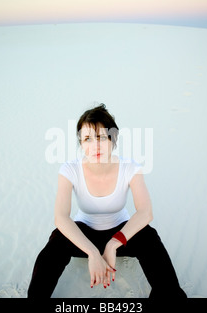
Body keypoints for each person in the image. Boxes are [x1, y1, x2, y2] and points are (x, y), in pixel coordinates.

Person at [27, 104, 186, 298]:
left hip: (120, 233)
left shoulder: (130, 168)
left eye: (102, 137)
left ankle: (169, 295)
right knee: (56, 242)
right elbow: (61, 218)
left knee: (149, 238)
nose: (95, 146)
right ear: (81, 143)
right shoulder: (70, 170)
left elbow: (145, 212)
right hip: (84, 234)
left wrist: (112, 244)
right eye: (87, 139)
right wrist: (93, 253)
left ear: (113, 139)